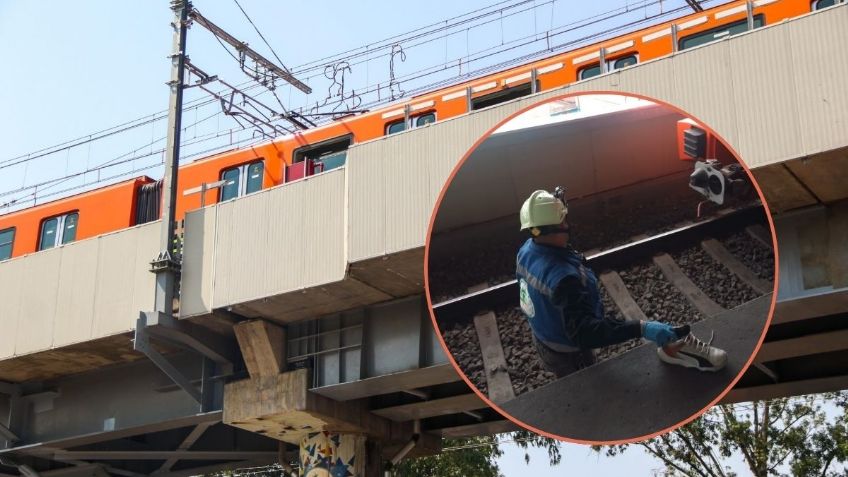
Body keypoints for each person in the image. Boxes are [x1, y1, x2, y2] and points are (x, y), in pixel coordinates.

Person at [516, 188, 726, 377]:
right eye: (563, 220)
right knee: (589, 389)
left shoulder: (527, 249)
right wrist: (642, 328)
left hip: (544, 338)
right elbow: (585, 333)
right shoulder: (564, 278)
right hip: (569, 353)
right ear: (553, 229)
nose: (567, 224)